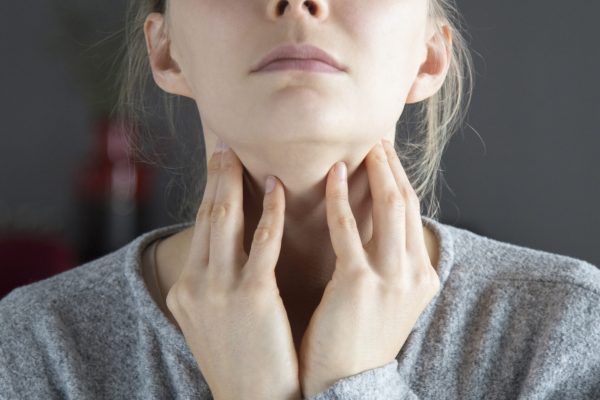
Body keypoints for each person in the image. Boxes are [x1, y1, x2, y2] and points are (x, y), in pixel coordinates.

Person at [1, 0, 599, 399]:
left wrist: (353, 382)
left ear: (430, 54)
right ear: (165, 50)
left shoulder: (571, 337)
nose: (297, 0)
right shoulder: (31, 352)